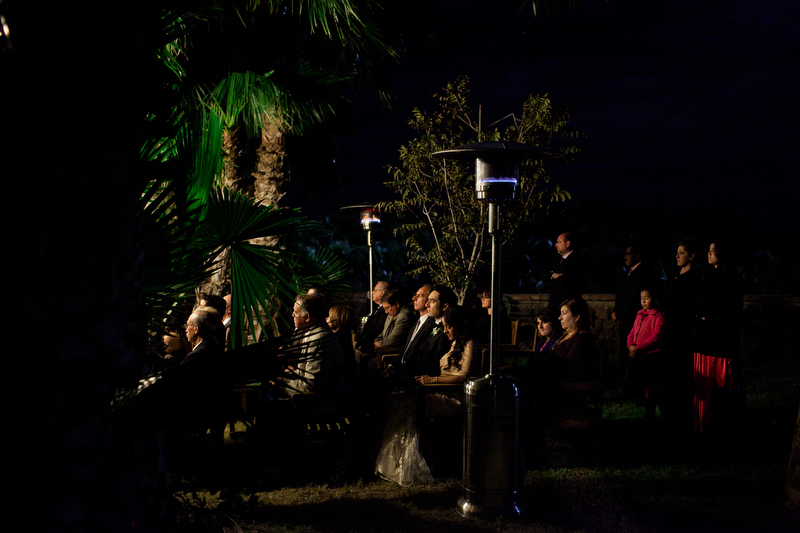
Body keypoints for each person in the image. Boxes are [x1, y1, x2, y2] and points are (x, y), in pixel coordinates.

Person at [375, 305, 475, 486]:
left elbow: (462, 376)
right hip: (438, 392)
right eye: (443, 327)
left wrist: (433, 381)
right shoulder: (454, 344)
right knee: (401, 401)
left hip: (454, 398)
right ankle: (399, 460)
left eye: (448, 327)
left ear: (457, 326)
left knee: (409, 404)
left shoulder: (469, 344)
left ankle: (411, 462)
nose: (445, 331)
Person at [691, 241, 743, 433]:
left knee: (721, 386)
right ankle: (702, 423)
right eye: (709, 250)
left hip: (720, 340)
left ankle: (721, 425)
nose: (709, 254)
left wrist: (711, 319)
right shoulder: (706, 274)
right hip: (704, 339)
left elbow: (730, 308)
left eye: (714, 251)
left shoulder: (731, 276)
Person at [276, 294, 346, 414]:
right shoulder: (313, 333)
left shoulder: (318, 339)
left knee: (268, 409)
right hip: (318, 399)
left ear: (307, 317)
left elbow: (310, 386)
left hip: (321, 404)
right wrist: (292, 374)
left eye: (295, 312)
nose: (292, 315)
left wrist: (282, 381)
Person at [663, 241, 701, 431]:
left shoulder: (695, 277)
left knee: (684, 369)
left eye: (682, 252)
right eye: (677, 253)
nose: (677, 256)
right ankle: (673, 410)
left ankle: (686, 410)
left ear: (691, 255)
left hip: (685, 329)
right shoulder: (674, 276)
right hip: (672, 328)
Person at [612, 244, 656, 386]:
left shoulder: (642, 273)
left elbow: (632, 297)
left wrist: (620, 313)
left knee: (634, 350)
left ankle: (633, 383)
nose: (625, 257)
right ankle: (627, 380)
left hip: (632, 317)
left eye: (628, 253)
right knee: (626, 349)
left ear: (637, 256)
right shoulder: (630, 272)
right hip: (625, 317)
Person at [626, 287, 667, 422]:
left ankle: (661, 411)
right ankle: (648, 413)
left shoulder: (658, 315)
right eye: (641, 298)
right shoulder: (639, 314)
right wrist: (630, 344)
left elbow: (655, 337)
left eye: (646, 298)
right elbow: (632, 332)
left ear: (654, 299)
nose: (643, 301)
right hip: (639, 355)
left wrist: (639, 347)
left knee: (653, 385)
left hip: (651, 356)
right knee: (644, 385)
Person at [552, 298, 600, 383]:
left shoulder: (581, 339)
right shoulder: (563, 335)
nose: (560, 318)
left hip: (564, 382)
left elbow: (571, 365)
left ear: (576, 317)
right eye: (560, 314)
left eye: (564, 313)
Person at [549, 232, 586, 310]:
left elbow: (567, 280)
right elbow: (545, 275)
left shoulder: (576, 260)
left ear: (567, 244)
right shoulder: (558, 260)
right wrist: (553, 276)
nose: (556, 245)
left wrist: (556, 278)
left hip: (568, 306)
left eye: (559, 242)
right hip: (555, 305)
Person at [355, 281, 390, 361]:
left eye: (375, 290)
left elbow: (377, 329)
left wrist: (365, 344)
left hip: (373, 350)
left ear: (382, 293)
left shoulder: (385, 311)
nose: (372, 293)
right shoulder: (376, 309)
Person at [327, 304, 358, 381]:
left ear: (336, 319)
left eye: (329, 316)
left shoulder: (336, 340)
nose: (326, 319)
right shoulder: (345, 336)